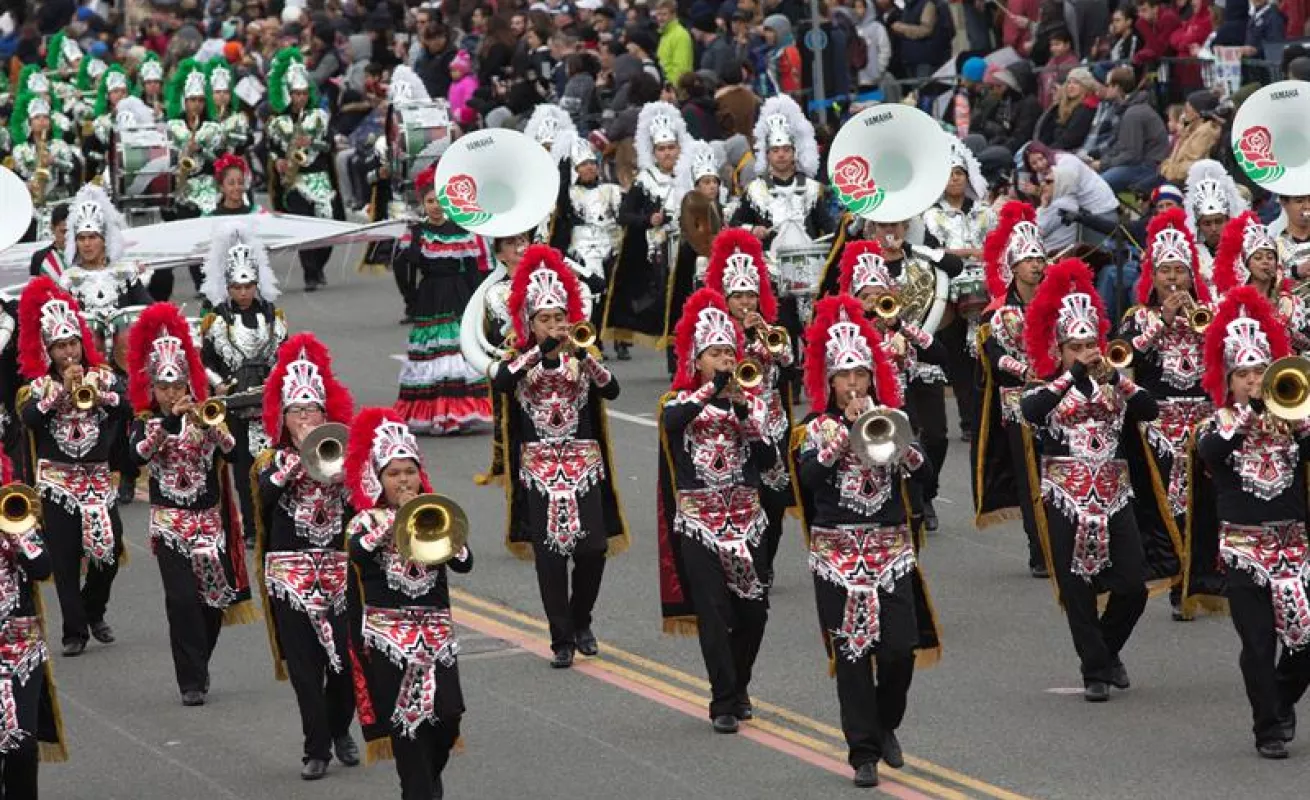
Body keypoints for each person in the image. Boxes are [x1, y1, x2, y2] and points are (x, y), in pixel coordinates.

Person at [795, 294, 940, 788]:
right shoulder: (814, 429)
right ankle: (863, 753)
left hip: (890, 547)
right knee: (853, 654)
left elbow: (928, 475)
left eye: (861, 375)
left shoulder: (892, 418)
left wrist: (898, 444)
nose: (854, 384)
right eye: (845, 376)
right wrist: (845, 436)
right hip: (836, 552)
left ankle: (885, 722)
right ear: (830, 382)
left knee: (900, 648)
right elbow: (809, 482)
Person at [1021, 258, 1158, 702]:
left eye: (1088, 345)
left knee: (1134, 585)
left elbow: (1149, 410)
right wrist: (1070, 376)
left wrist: (1115, 377)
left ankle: (1105, 650)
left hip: (1115, 495)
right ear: (1060, 349)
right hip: (1066, 495)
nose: (1083, 353)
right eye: (1074, 346)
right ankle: (1095, 670)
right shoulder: (1047, 385)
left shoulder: (1114, 382)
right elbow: (1031, 412)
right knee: (1076, 588)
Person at [491, 245, 628, 667]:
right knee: (550, 554)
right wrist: (540, 348)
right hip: (539, 467)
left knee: (592, 549)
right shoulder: (519, 359)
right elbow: (500, 381)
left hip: (583, 462)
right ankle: (561, 639)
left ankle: (582, 617)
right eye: (545, 319)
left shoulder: (583, 355)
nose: (554, 326)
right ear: (530, 322)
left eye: (558, 318)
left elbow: (612, 390)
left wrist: (582, 355)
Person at [1197, 286, 1310, 760]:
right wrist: (1246, 414)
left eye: (1259, 372)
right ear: (1229, 378)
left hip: (1294, 544)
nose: (1253, 380)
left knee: (1305, 642)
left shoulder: (1291, 417)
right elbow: (1211, 455)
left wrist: (1299, 420)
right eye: (1243, 373)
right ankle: (1267, 728)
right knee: (1259, 643)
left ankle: (1280, 700)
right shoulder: (1216, 423)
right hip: (1244, 547)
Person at [127, 303, 257, 706]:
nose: (171, 394)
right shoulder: (146, 422)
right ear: (154, 388)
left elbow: (236, 455)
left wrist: (210, 427)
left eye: (177, 386)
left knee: (213, 602)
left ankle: (198, 662)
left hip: (208, 521)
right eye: (164, 387)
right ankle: (191, 681)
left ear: (188, 383)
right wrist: (168, 425)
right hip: (169, 522)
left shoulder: (207, 416)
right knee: (181, 599)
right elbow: (137, 457)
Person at [656, 288, 773, 734]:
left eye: (730, 351)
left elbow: (769, 462)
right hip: (699, 521)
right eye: (715, 353)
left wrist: (745, 412)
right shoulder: (679, 402)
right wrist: (710, 390)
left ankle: (739, 683)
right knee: (713, 609)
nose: (725, 360)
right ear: (697, 360)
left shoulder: (753, 401)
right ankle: (722, 700)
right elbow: (671, 425)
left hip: (746, 518)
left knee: (754, 610)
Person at [344, 408, 471, 797]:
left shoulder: (434, 512)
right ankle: (418, 791)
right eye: (394, 473)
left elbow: (464, 562)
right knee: (407, 725)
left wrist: (431, 523)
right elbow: (357, 555)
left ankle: (425, 785)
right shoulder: (364, 521)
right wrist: (390, 523)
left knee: (447, 718)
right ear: (379, 478)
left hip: (435, 632)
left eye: (409, 471)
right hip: (388, 636)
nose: (404, 480)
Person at [253, 333, 359, 780]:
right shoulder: (270, 459)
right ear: (284, 415)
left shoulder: (344, 450)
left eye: (312, 410)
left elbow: (362, 502)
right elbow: (262, 497)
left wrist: (344, 466)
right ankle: (314, 747)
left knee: (346, 663)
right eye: (297, 411)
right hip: (290, 574)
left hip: (336, 570)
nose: (306, 418)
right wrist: (299, 457)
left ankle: (338, 729)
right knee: (305, 667)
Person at [16, 277, 126, 657]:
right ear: (49, 351)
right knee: (64, 558)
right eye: (60, 346)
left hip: (96, 478)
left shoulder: (103, 376)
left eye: (72, 344)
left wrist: (99, 395)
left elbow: (125, 408)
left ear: (83, 343)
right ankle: (74, 631)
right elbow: (29, 419)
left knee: (109, 553)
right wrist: (62, 390)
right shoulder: (38, 386)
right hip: (57, 479)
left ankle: (93, 609)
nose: (68, 353)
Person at [1118, 209, 1214, 619]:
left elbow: (1226, 357)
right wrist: (1163, 323)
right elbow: (1120, 357)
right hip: (1157, 423)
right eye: (1166, 271)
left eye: (1181, 270)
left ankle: (1197, 581)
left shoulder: (1207, 315)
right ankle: (1175, 580)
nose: (1174, 279)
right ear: (1152, 277)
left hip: (1202, 420)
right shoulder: (1137, 318)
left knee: (1201, 505)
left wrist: (1200, 326)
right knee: (1168, 506)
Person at [702, 229, 794, 585]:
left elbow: (789, 363)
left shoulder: (773, 331)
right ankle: (743, 562)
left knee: (773, 499)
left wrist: (761, 333)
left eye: (750, 296)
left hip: (771, 424)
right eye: (737, 296)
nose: (744, 303)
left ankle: (767, 559)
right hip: (732, 426)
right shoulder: (716, 336)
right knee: (743, 498)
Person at [200, 222, 287, 545]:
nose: (243, 293)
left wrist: (277, 379)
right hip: (235, 403)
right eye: (237, 287)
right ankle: (251, 527)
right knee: (242, 468)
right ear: (228, 286)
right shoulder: (217, 321)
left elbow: (284, 352)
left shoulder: (273, 317)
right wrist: (219, 384)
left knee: (275, 462)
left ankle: (274, 520)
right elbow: (205, 360)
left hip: (267, 400)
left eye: (248, 286)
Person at [973, 202, 1047, 575]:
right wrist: (1025, 371)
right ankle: (1039, 549)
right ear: (1014, 266)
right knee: (1029, 477)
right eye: (1029, 260)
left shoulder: (1057, 304)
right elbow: (993, 353)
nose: (1036, 265)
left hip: (1057, 400)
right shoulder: (997, 311)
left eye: (1040, 259)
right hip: (1017, 402)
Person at [393, 165, 494, 435]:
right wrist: (410, 298)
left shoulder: (463, 230)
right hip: (430, 297)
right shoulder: (417, 232)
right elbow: (403, 267)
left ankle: (460, 412)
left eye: (440, 200)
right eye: (430, 201)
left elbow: (474, 269)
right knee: (435, 352)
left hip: (460, 296)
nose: (436, 206)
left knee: (460, 352)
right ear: (423, 204)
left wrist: (479, 302)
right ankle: (436, 413)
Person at [731, 95, 832, 356]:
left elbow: (827, 227)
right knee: (781, 328)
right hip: (772, 270)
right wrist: (753, 230)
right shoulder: (755, 190)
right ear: (767, 154)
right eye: (775, 150)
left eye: (786, 150)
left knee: (811, 331)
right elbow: (734, 225)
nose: (781, 155)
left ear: (794, 152)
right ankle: (788, 385)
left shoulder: (811, 188)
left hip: (808, 270)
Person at [0, 450, 67, 791]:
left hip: (17, 647)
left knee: (21, 745)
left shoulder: (13, 517)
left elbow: (42, 569)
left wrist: (16, 533)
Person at [923, 141, 995, 443]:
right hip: (948, 289)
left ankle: (986, 417)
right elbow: (929, 251)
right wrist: (964, 252)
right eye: (950, 173)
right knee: (958, 357)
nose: (955, 179)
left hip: (984, 289)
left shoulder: (985, 213)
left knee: (984, 355)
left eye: (960, 173)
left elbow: (995, 246)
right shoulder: (930, 214)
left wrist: (978, 254)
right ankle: (968, 419)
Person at [605, 101, 689, 360]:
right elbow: (624, 215)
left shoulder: (691, 174)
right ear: (654, 152)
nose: (667, 154)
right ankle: (675, 360)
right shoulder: (645, 180)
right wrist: (648, 219)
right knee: (670, 304)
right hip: (658, 252)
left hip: (689, 249)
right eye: (661, 149)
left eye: (671, 148)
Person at [266, 48, 344, 291]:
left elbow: (330, 144)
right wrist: (276, 161)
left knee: (328, 228)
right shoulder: (277, 122)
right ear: (288, 94)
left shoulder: (320, 116)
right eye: (295, 94)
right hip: (295, 180)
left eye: (303, 93)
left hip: (319, 178)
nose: (299, 98)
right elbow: (270, 149)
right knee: (304, 228)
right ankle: (310, 273)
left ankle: (318, 266)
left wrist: (313, 143)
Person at [57, 185, 153, 343]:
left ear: (104, 240)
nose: (87, 244)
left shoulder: (126, 272)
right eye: (82, 238)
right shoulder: (68, 279)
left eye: (93, 237)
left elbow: (149, 310)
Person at [1214, 211, 1310, 352]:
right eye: (1258, 258)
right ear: (1246, 265)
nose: (1265, 262)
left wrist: (1287, 331)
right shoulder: (1231, 303)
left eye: (1270, 257)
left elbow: (1307, 345)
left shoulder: (1292, 302)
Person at [10, 93, 78, 242]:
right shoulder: (19, 150)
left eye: (45, 117)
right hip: (32, 205)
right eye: (37, 118)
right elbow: (16, 176)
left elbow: (72, 168)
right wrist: (26, 185)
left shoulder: (60, 145)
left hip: (58, 201)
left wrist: (55, 161)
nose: (42, 121)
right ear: (29, 122)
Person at [1095, 67, 1171, 194]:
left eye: (1107, 85)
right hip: (1140, 164)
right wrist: (1103, 161)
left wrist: (1102, 165)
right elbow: (1120, 146)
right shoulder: (1129, 110)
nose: (1104, 88)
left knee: (1096, 186)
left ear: (1117, 88)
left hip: (1148, 168)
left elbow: (1131, 155)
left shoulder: (1133, 114)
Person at [1184, 159, 1247, 292]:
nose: (1213, 228)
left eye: (1218, 221)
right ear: (1198, 225)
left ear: (1228, 220)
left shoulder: (1246, 250)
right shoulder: (1189, 254)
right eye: (1207, 223)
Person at [1160, 90, 1223, 185]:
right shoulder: (1190, 129)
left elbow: (1190, 165)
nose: (1183, 115)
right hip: (1176, 176)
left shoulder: (1205, 132)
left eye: (1187, 110)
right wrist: (1181, 138)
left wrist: (1169, 170)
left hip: (1190, 182)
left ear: (1197, 113)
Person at [654, 0, 693, 85]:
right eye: (658, 14)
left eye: (664, 14)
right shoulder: (665, 34)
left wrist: (672, 90)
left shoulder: (680, 35)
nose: (660, 18)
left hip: (675, 91)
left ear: (673, 15)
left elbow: (681, 69)